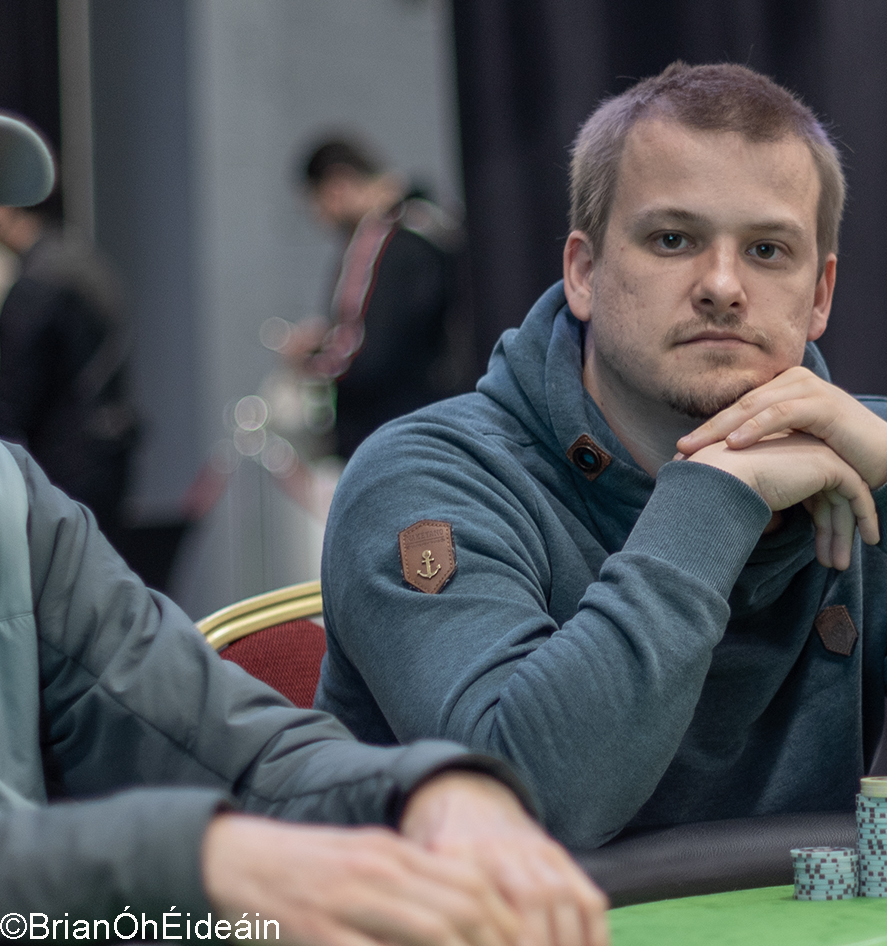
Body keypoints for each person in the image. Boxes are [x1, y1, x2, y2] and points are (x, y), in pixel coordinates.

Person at [314, 63, 887, 850]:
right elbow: (522, 809)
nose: (723, 286)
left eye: (768, 251)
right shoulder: (426, 476)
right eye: (673, 239)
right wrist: (715, 496)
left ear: (819, 295)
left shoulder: (873, 457)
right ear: (585, 273)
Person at [0, 113, 608, 946]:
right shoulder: (417, 259)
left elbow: (227, 746)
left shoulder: (19, 508)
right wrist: (198, 863)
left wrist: (429, 792)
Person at [288, 136, 473, 458]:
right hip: (446, 421)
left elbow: (362, 352)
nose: (321, 219)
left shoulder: (376, 238)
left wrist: (312, 356)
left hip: (385, 436)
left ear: (337, 186)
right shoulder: (434, 224)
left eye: (318, 205)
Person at [0, 197, 138, 537]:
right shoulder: (80, 259)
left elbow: (13, 397)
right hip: (105, 453)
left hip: (64, 466)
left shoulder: (42, 279)